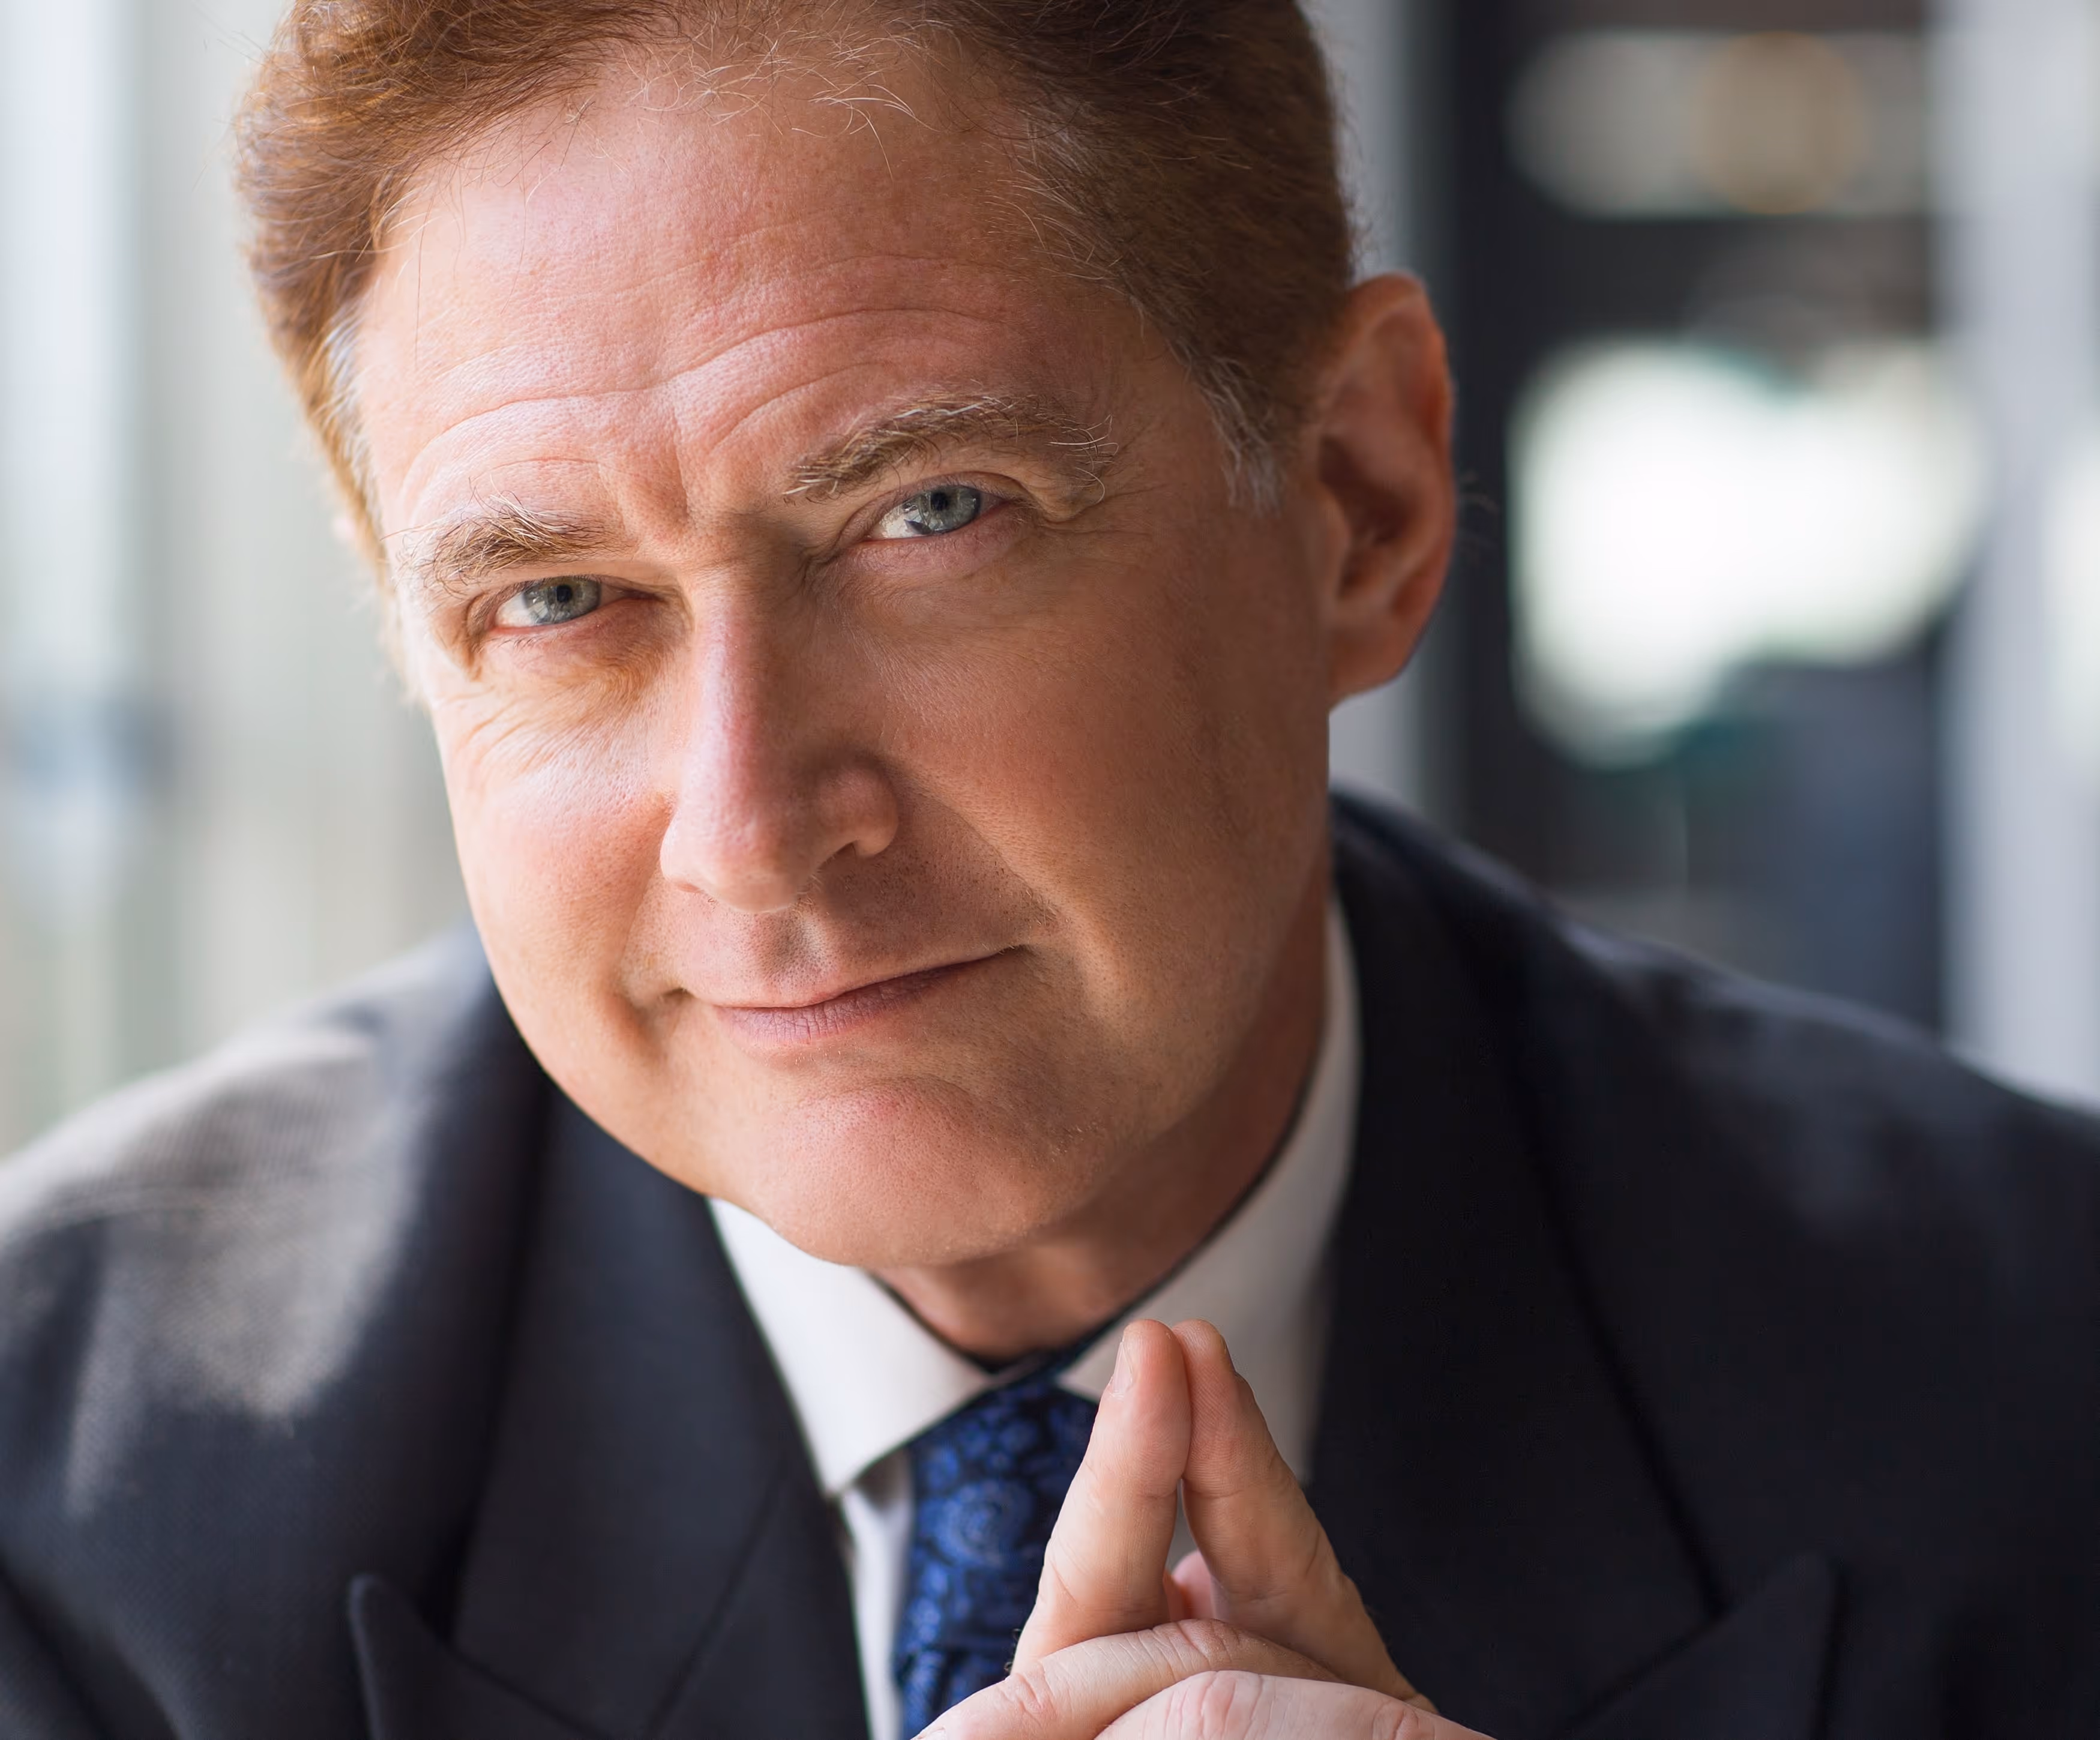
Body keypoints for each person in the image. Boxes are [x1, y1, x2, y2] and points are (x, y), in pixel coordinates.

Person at [0, 2, 2095, 1736]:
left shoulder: (2032, 1381)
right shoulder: (69, 1479)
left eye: (929, 516)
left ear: (1358, 505)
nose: (748, 825)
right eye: (555, 600)